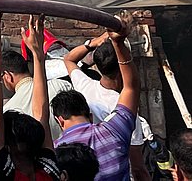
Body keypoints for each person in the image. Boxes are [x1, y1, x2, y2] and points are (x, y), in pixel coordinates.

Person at [52, 14, 138, 181]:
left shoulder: (56, 155)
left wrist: (94, 42)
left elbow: (68, 59)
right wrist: (118, 42)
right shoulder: (115, 128)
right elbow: (131, 87)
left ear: (59, 120)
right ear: (90, 116)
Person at [63, 33, 155, 181]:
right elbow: (138, 168)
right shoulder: (125, 110)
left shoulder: (85, 85)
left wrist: (92, 43)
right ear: (123, 70)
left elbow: (68, 59)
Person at [0, 15, 60, 181]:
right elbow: (42, 116)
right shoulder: (49, 171)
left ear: (8, 146)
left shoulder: (5, 173)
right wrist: (38, 54)